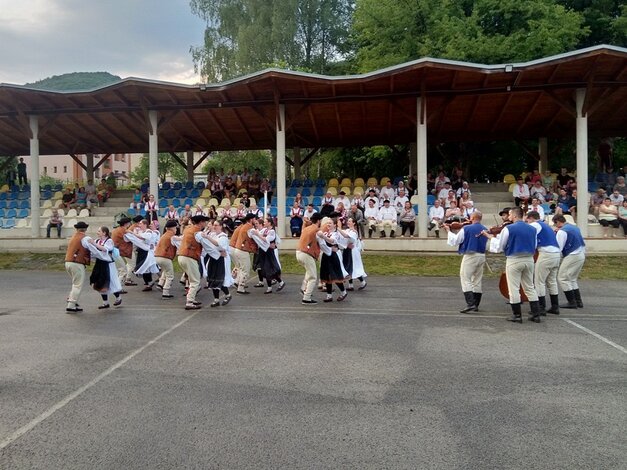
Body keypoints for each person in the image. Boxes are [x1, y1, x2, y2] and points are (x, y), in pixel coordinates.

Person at [483, 207, 541, 323]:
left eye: (510, 214)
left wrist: (491, 239)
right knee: (529, 287)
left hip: (514, 258)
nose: (509, 217)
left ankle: (517, 315)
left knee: (513, 288)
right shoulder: (532, 228)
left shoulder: (508, 228)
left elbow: (500, 246)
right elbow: (534, 245)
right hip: (529, 259)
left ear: (514, 216)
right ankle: (536, 314)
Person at [445, 211, 488, 313]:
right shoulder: (485, 228)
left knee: (465, 278)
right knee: (477, 280)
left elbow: (456, 240)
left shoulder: (467, 228)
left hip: (470, 255)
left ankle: (470, 303)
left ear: (472, 217)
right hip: (481, 255)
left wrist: (448, 231)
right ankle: (476, 304)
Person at [526, 210, 561, 315]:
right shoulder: (546, 226)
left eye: (527, 220)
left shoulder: (535, 225)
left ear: (531, 218)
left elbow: (530, 236)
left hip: (546, 253)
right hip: (556, 253)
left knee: (539, 281)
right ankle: (555, 306)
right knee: (552, 281)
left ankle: (541, 307)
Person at [552, 214, 586, 309]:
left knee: (562, 278)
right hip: (580, 253)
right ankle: (578, 301)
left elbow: (559, 248)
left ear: (558, 222)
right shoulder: (574, 227)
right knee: (572, 278)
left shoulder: (562, 231)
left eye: (555, 224)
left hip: (572, 255)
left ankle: (571, 302)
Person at [199, 220, 233, 307]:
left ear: (221, 226)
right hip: (213, 258)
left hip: (221, 260)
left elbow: (219, 245)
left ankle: (228, 295)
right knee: (212, 278)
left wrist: (207, 237)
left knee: (219, 279)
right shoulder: (213, 235)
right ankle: (216, 299)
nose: (214, 227)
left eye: (216, 225)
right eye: (214, 225)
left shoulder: (223, 236)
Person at [178, 215, 209, 310]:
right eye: (204, 222)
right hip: (189, 256)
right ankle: (190, 302)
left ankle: (191, 299)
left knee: (192, 279)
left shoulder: (188, 229)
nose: (206, 224)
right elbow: (206, 245)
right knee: (195, 280)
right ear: (200, 223)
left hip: (182, 256)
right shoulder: (197, 232)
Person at [88, 226, 123, 309]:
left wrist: (93, 244)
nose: (97, 232)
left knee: (111, 282)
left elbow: (105, 249)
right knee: (100, 282)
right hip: (99, 263)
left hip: (108, 264)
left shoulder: (109, 241)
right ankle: (105, 302)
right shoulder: (97, 241)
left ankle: (118, 298)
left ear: (104, 233)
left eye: (99, 231)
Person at [248, 218, 285, 294]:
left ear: (270, 223)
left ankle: (276, 284)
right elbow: (254, 235)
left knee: (269, 268)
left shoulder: (272, 231)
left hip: (268, 252)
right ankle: (272, 286)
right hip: (263, 251)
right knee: (265, 269)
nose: (264, 223)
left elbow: (266, 240)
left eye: (265, 222)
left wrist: (257, 234)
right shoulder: (264, 230)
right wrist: (254, 233)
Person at [318, 217, 348, 302]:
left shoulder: (336, 233)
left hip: (333, 256)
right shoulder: (326, 233)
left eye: (330, 223)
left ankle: (343, 292)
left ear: (335, 225)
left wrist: (323, 236)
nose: (328, 224)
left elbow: (332, 241)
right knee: (327, 275)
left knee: (335, 275)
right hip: (326, 255)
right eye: (327, 223)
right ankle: (329, 295)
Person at [296, 212, 324, 304]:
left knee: (309, 272)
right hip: (306, 254)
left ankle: (304, 289)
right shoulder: (316, 229)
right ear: (319, 221)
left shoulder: (307, 228)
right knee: (313, 277)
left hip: (299, 252)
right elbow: (320, 234)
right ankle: (306, 298)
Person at [64, 221, 91, 312]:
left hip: (68, 261)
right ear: (85, 229)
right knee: (77, 285)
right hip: (77, 263)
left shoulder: (74, 237)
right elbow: (92, 249)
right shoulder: (85, 238)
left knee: (75, 283)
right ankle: (71, 304)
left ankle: (72, 301)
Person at [230, 213, 258, 294]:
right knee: (245, 270)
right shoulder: (248, 228)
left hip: (238, 249)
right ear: (251, 219)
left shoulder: (244, 227)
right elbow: (254, 238)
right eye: (254, 219)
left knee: (241, 268)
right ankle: (241, 288)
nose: (255, 220)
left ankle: (238, 283)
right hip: (242, 250)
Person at [154, 220, 180, 299]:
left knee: (165, 271)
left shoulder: (164, 235)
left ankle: (160, 284)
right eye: (176, 228)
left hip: (157, 256)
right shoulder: (172, 236)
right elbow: (180, 243)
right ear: (172, 228)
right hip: (165, 257)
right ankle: (165, 292)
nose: (176, 229)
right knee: (170, 275)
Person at [343, 217, 367, 291]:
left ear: (354, 223)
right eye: (348, 221)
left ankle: (362, 281)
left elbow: (347, 236)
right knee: (348, 266)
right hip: (347, 250)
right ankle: (350, 285)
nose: (348, 222)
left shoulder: (354, 232)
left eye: (350, 221)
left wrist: (337, 228)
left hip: (353, 252)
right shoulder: (347, 230)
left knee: (354, 267)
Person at [112, 217, 135, 288]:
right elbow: (130, 239)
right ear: (127, 223)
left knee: (122, 269)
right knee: (124, 270)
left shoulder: (117, 229)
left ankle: (123, 283)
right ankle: (119, 287)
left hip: (116, 250)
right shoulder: (123, 230)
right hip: (120, 250)